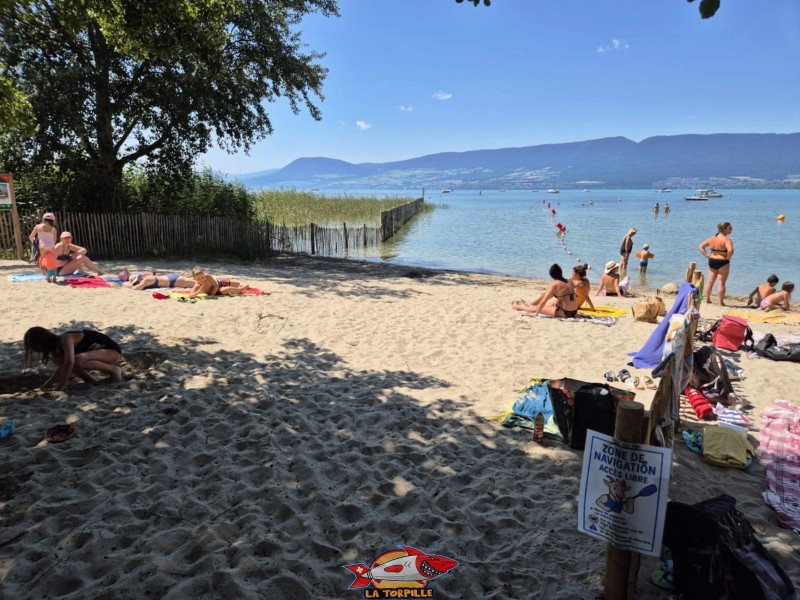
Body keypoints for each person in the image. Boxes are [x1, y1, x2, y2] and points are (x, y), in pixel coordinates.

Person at [23, 326, 123, 391]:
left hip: (112, 352)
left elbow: (70, 362)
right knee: (59, 360)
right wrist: (46, 385)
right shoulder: (57, 350)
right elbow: (62, 367)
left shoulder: (66, 338)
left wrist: (61, 385)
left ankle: (114, 369)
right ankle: (90, 380)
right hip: (98, 355)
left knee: (77, 359)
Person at [512, 264, 578, 318]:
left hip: (565, 313)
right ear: (561, 272)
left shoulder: (555, 284)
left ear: (551, 275)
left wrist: (536, 313)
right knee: (555, 301)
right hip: (575, 312)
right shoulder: (570, 281)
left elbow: (544, 300)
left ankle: (518, 307)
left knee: (538, 309)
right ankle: (532, 305)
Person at [699, 222, 734, 306]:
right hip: (723, 262)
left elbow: (701, 247)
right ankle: (720, 302)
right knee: (721, 283)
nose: (731, 229)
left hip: (712, 260)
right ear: (724, 228)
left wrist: (706, 254)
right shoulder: (727, 240)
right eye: (730, 227)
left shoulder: (712, 238)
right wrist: (728, 258)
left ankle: (707, 299)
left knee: (710, 281)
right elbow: (730, 250)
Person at [28, 212, 58, 283]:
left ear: (44, 219)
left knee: (44, 261)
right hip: (51, 246)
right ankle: (54, 276)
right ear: (52, 220)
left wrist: (34, 241)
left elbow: (31, 237)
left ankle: (47, 276)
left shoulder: (38, 226)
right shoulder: (53, 229)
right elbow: (54, 240)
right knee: (53, 261)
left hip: (42, 247)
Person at [124, 272, 195, 290]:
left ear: (139, 277)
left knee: (198, 283)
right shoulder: (146, 278)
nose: (138, 283)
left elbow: (136, 288)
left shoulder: (146, 280)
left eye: (137, 281)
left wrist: (132, 285)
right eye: (136, 283)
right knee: (195, 280)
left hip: (174, 281)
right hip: (171, 278)